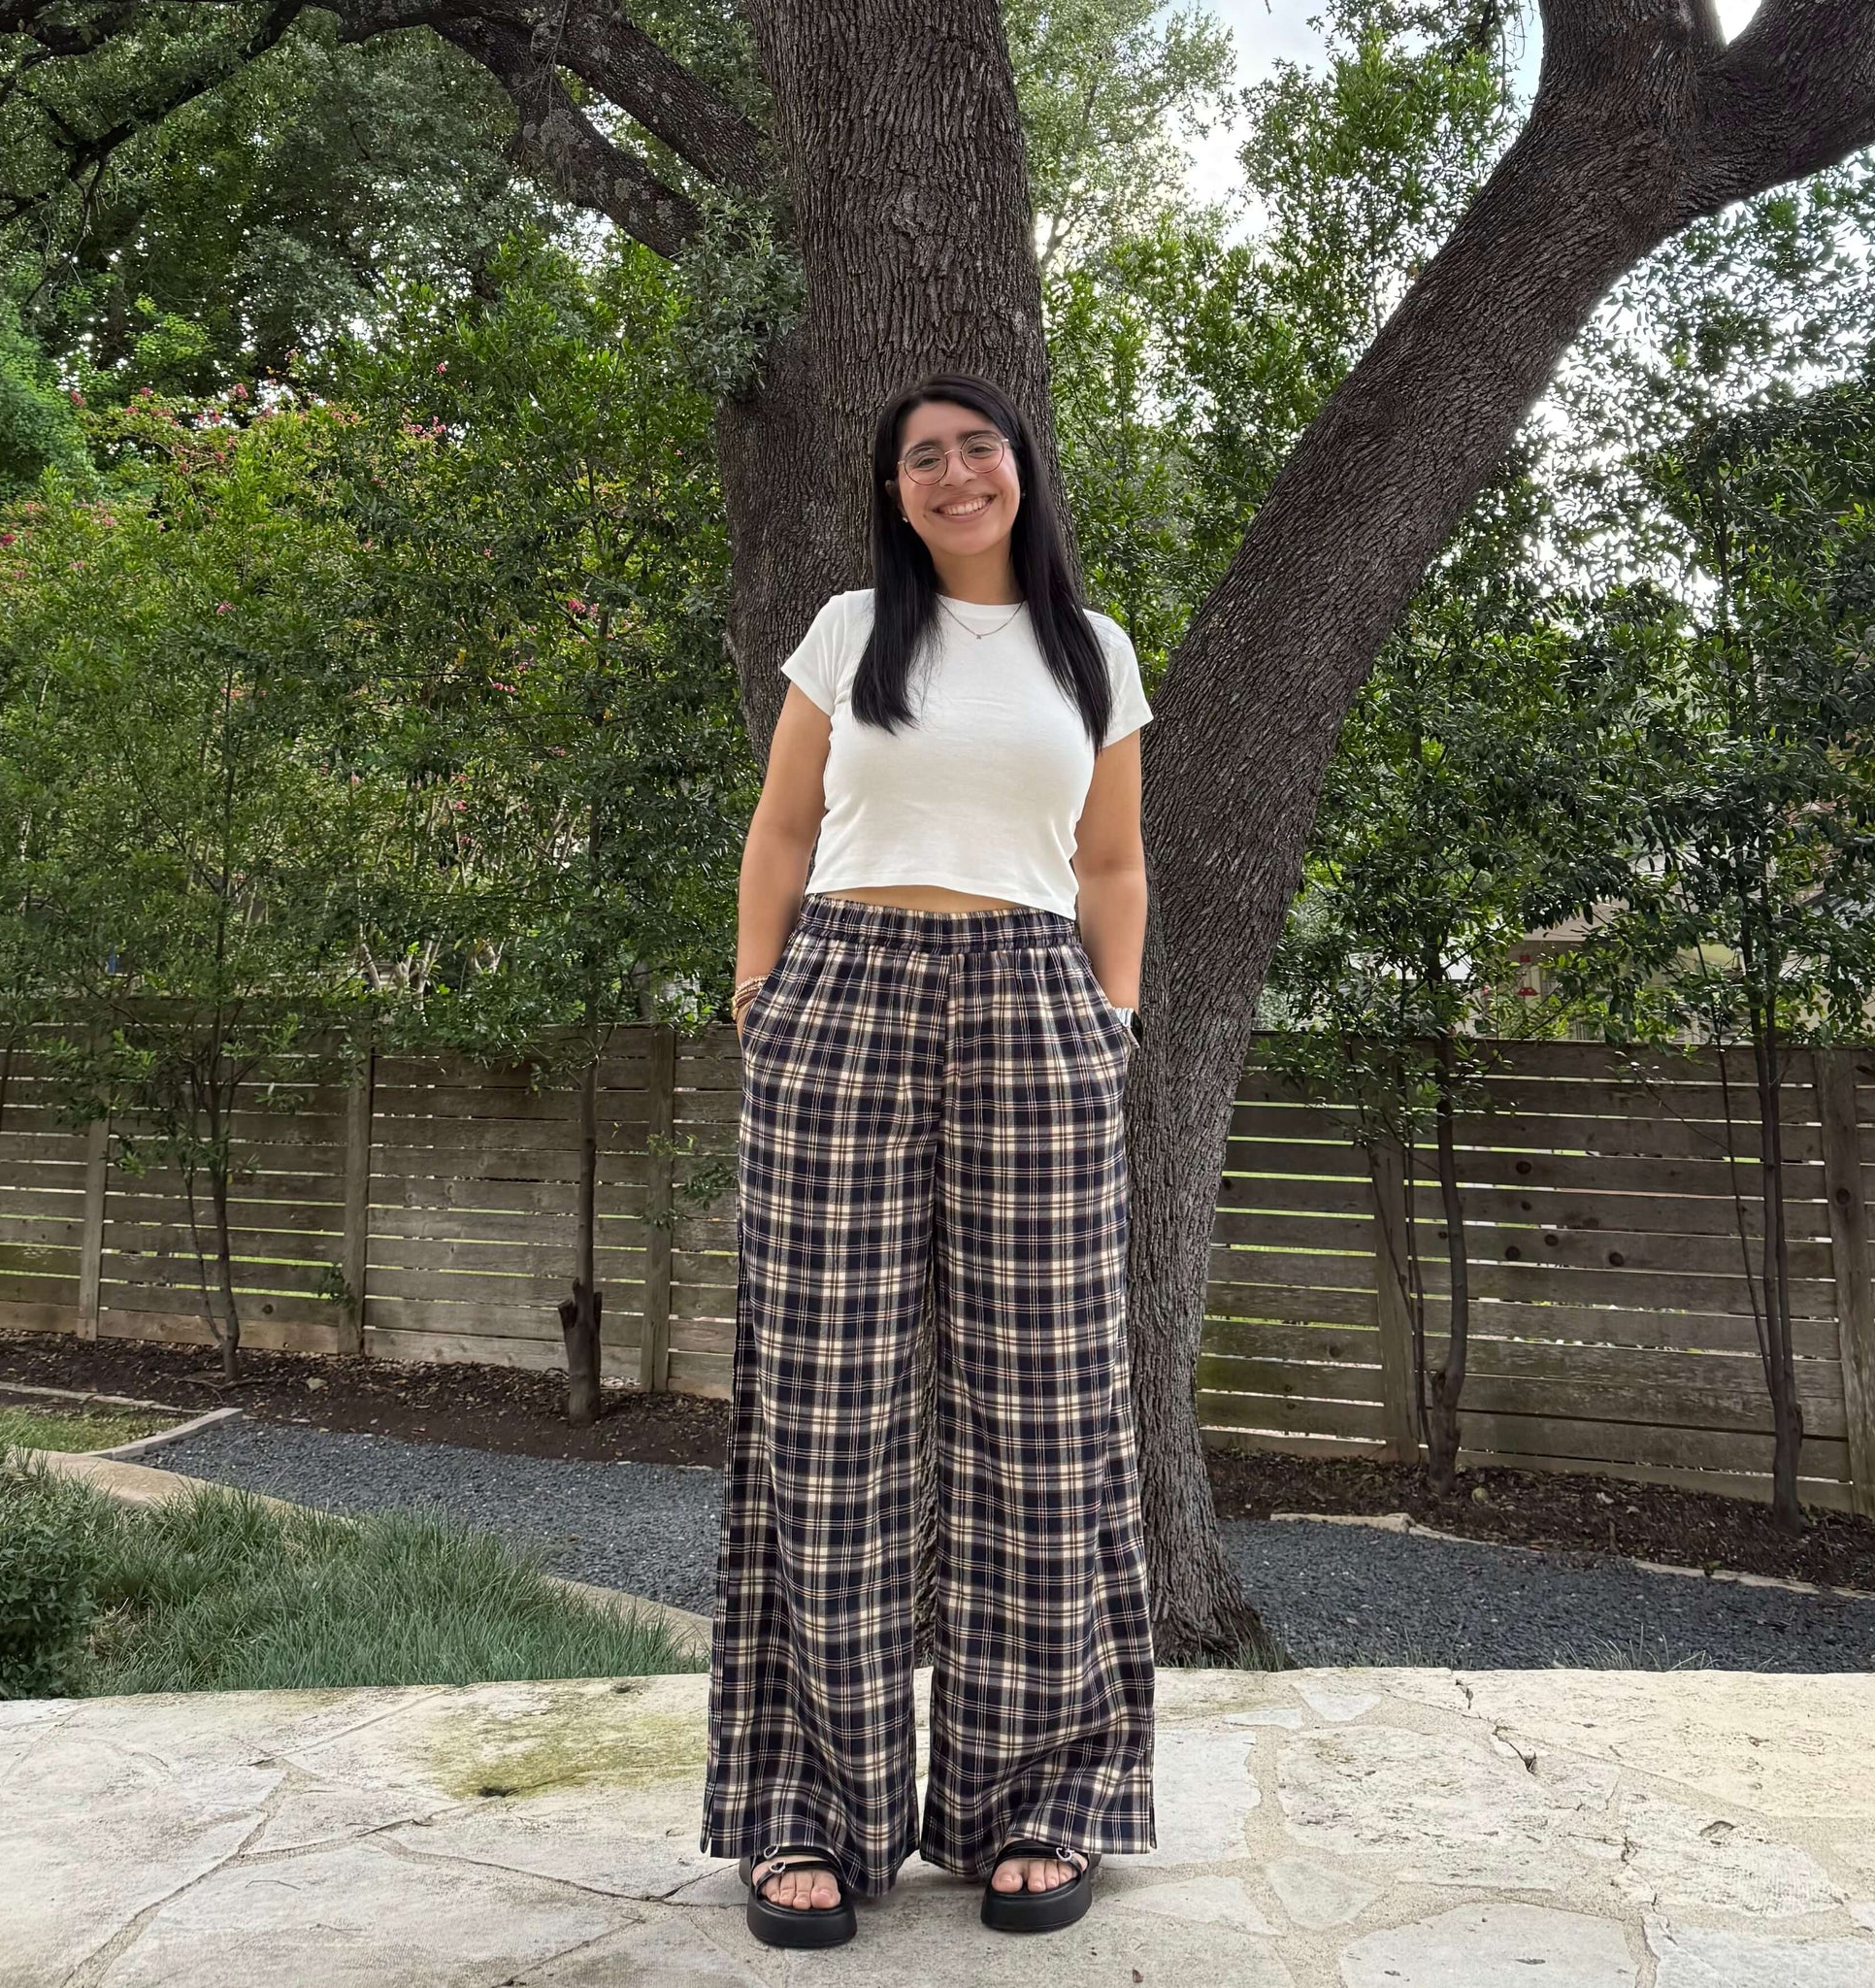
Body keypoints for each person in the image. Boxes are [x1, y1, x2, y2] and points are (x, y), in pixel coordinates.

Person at [700, 371, 1157, 1949]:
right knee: (825, 1409)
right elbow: (779, 829)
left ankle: (1040, 1797)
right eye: (921, 459)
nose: (955, 474)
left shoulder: (1092, 652)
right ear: (894, 494)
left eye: (977, 448)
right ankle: (811, 1810)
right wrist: (758, 998)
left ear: (1020, 468)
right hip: (843, 994)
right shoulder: (848, 634)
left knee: (1045, 1409)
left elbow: (1113, 861)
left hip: (1036, 1005)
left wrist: (1113, 1023)